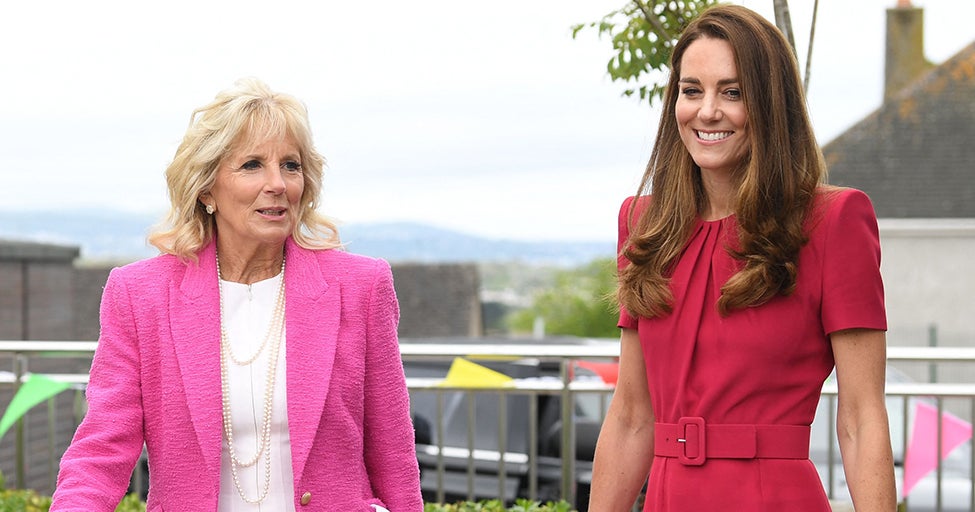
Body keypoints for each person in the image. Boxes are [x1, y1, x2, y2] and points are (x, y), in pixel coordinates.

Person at [51, 78, 423, 511]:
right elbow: (101, 450)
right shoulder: (139, 295)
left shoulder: (362, 285)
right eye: (251, 165)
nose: (278, 184)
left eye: (290, 165)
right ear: (207, 188)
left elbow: (393, 450)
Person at [588, 5, 896, 511]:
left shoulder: (832, 221)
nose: (707, 111)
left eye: (732, 92)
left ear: (771, 105)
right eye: (692, 91)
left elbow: (861, 419)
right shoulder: (643, 223)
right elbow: (630, 416)